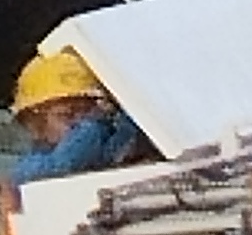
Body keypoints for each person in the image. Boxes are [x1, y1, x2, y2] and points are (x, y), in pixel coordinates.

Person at [9, 43, 150, 189]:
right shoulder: (29, 169)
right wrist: (94, 124)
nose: (78, 123)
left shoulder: (100, 147)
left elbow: (131, 137)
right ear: (37, 125)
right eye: (67, 115)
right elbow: (65, 163)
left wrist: (127, 109)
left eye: (86, 112)